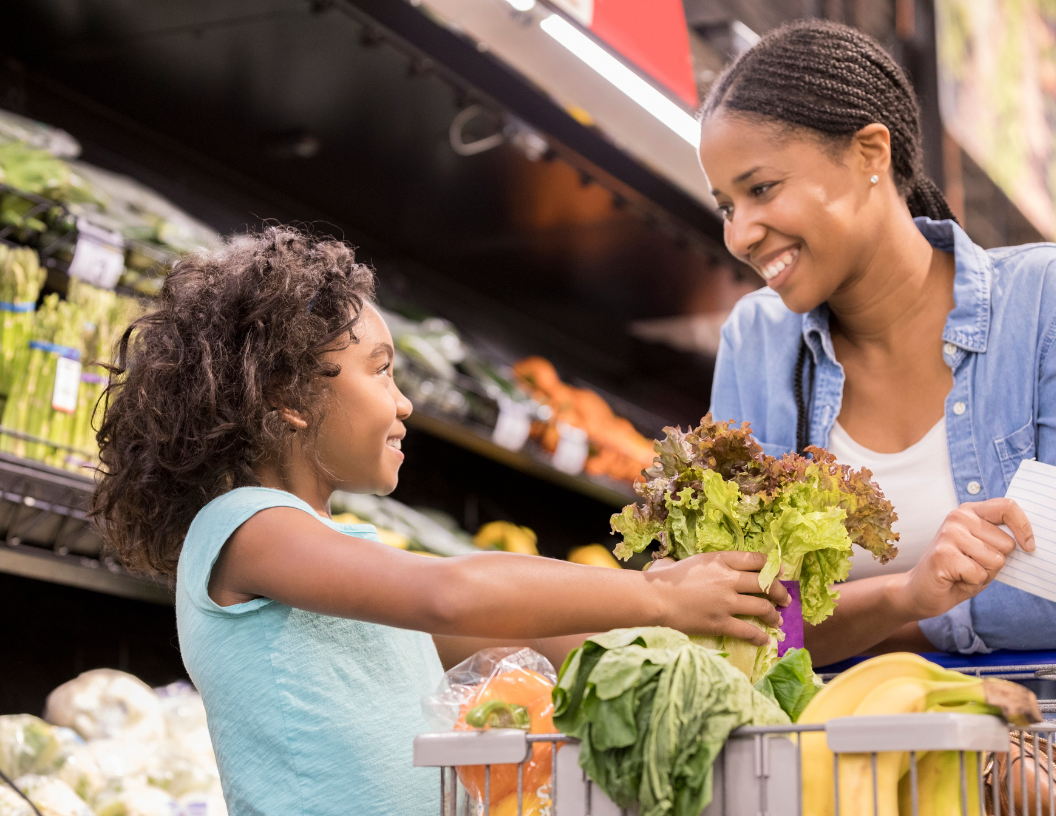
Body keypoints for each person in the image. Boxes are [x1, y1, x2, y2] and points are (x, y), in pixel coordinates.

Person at [89, 228, 789, 816]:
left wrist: (677, 618)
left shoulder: (345, 557)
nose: (404, 404)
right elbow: (448, 593)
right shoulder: (244, 529)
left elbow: (522, 629)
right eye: (380, 371)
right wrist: (657, 596)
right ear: (286, 395)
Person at [697, 19, 1054, 668]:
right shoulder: (757, 342)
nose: (741, 234)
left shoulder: (1042, 304)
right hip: (829, 764)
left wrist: (827, 625)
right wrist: (906, 596)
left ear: (869, 153)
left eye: (761, 189)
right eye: (726, 206)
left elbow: (1047, 596)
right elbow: (737, 631)